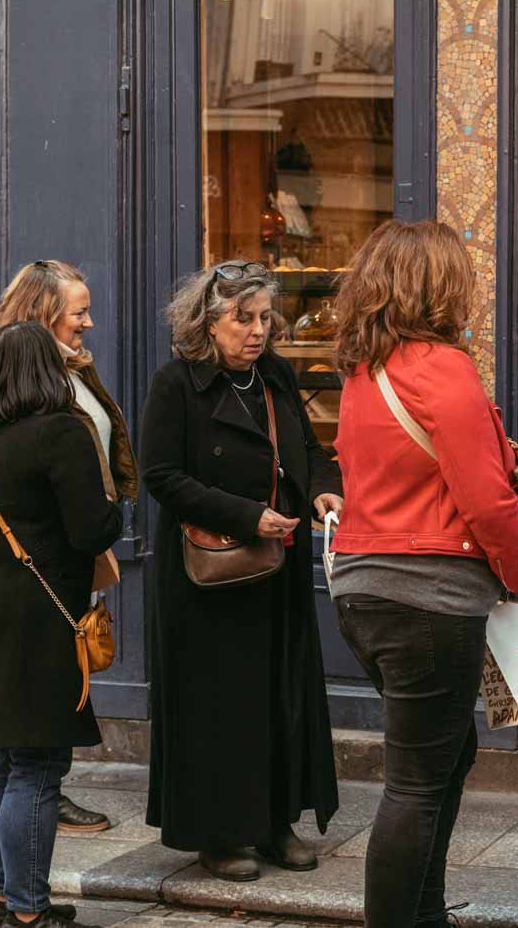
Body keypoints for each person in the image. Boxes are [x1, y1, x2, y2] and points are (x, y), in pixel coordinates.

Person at [328, 220, 518, 928]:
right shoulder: (442, 369)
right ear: (441, 285)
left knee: (446, 756)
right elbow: (486, 497)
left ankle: (426, 913)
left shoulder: (366, 371)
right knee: (416, 781)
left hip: (364, 592)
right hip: (428, 596)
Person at [141, 260, 343, 882]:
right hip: (209, 569)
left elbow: (310, 449)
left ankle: (276, 821)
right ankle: (221, 833)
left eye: (263, 318)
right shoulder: (176, 383)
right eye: (242, 318)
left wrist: (322, 492)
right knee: (219, 702)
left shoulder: (276, 374)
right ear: (208, 321)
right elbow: (162, 476)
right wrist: (247, 516)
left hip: (276, 563)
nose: (257, 330)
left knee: (279, 693)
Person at [0, 259, 136, 862]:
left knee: (26, 750)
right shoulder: (15, 394)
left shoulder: (66, 372)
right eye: (78, 312)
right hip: (30, 564)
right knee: (12, 728)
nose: (89, 322)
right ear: (44, 316)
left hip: (55, 557)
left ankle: (7, 872)